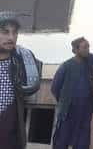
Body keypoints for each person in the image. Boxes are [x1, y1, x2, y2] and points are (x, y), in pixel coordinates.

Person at [0, 11, 43, 149]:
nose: (11, 37)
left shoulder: (24, 61)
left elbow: (31, 96)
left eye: (15, 32)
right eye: (5, 32)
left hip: (10, 130)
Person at [51, 37, 93, 149]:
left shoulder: (89, 63)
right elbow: (55, 88)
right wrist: (64, 101)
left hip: (85, 110)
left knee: (83, 142)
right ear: (75, 49)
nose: (87, 50)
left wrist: (87, 54)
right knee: (62, 140)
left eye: (88, 47)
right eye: (84, 47)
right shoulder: (66, 66)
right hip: (69, 110)